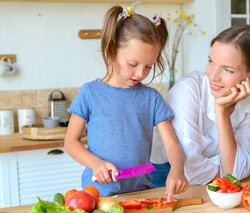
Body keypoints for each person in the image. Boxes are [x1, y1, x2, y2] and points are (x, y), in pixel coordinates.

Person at [64, 5, 189, 200]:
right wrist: (96, 163)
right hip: (98, 196)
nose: (140, 73)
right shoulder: (89, 93)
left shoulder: (151, 98)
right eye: (133, 64)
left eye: (148, 66)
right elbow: (71, 142)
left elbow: (172, 145)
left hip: (141, 194)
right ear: (113, 49)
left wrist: (177, 169)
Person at [151, 24, 250, 185]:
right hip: (161, 172)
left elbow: (240, 167)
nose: (213, 76)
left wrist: (221, 110)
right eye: (211, 62)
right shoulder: (188, 91)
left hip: (206, 177)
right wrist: (228, 173)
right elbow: (189, 168)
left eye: (227, 70)